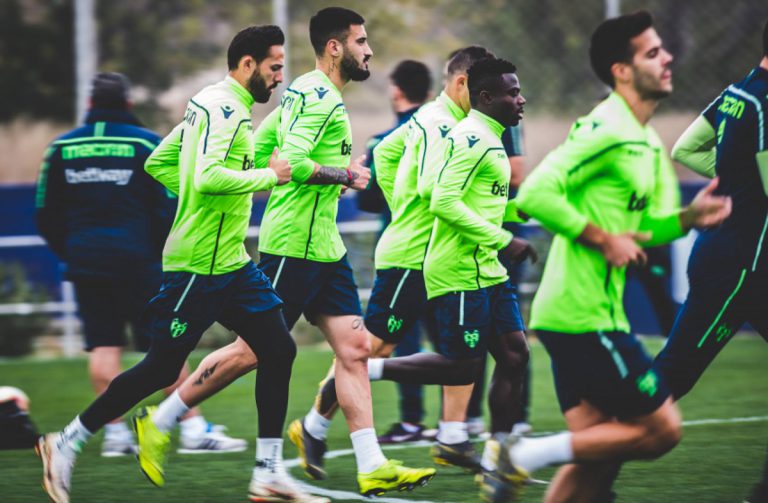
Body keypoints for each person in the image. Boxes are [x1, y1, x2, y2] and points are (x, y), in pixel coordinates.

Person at [128, 8, 436, 498]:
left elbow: (261, 144)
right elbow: (288, 162)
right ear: (334, 48)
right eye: (360, 41)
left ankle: (371, 462)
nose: (368, 50)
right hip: (292, 245)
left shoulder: (303, 93)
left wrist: (310, 172)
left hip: (325, 247)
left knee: (354, 350)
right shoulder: (318, 100)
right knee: (253, 351)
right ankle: (162, 420)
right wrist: (344, 176)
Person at [36, 25, 328, 503]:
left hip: (230, 263)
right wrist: (266, 177)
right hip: (198, 265)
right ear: (248, 64)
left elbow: (159, 163)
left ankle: (268, 474)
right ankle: (64, 442)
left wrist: (197, 193)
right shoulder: (227, 108)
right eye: (275, 66)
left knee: (278, 349)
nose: (279, 77)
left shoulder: (206, 99)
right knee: (159, 368)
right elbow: (211, 176)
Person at [483, 12, 732, 503]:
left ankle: (522, 458)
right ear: (622, 70)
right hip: (585, 317)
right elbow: (535, 193)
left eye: (664, 50)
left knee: (597, 465)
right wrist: (602, 238)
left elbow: (641, 230)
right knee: (663, 430)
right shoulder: (606, 127)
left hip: (581, 316)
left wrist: (687, 218)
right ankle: (518, 455)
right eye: (652, 52)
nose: (668, 59)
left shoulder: (644, 142)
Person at [301, 46, 506, 474]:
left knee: (463, 344)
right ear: (462, 83)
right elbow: (425, 185)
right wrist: (407, 208)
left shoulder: (450, 119)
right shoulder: (437, 123)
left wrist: (400, 199)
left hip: (442, 255)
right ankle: (313, 426)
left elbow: (388, 152)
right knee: (370, 350)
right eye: (482, 85)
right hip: (413, 255)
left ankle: (452, 436)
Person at [34, 72, 245, 458]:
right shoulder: (145, 142)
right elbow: (169, 205)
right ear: (129, 104)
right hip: (139, 263)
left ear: (89, 105)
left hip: (86, 263)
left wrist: (73, 251)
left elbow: (44, 213)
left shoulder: (61, 147)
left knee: (103, 347)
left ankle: (115, 437)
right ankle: (193, 428)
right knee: (165, 349)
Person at [653, 19, 768, 503]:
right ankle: (568, 455)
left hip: (741, 262)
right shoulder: (763, 105)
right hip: (737, 268)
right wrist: (740, 178)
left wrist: (730, 176)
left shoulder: (737, 92)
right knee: (671, 376)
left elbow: (686, 149)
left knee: (672, 372)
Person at [356, 59, 438, 443]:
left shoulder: (383, 141)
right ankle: (461, 424)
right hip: (442, 249)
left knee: (398, 339)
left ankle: (411, 421)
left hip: (400, 249)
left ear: (397, 90)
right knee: (452, 338)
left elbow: (369, 202)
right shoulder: (445, 130)